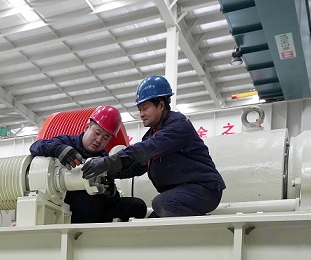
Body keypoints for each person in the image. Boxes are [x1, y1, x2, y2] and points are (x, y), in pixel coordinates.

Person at [29, 105, 147, 260]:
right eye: (97, 132)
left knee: (136, 206)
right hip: (70, 222)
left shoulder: (104, 160)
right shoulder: (67, 144)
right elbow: (36, 147)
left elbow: (109, 197)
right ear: (88, 126)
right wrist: (59, 150)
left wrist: (111, 193)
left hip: (96, 220)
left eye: (105, 137)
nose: (99, 140)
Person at [82, 76, 225, 218]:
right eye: (139, 110)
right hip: (179, 193)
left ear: (161, 105)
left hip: (204, 189)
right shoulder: (151, 134)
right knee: (150, 224)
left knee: (162, 204)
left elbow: (147, 149)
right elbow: (138, 167)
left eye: (145, 108)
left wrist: (107, 162)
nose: (141, 114)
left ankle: (207, 225)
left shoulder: (178, 125)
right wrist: (108, 172)